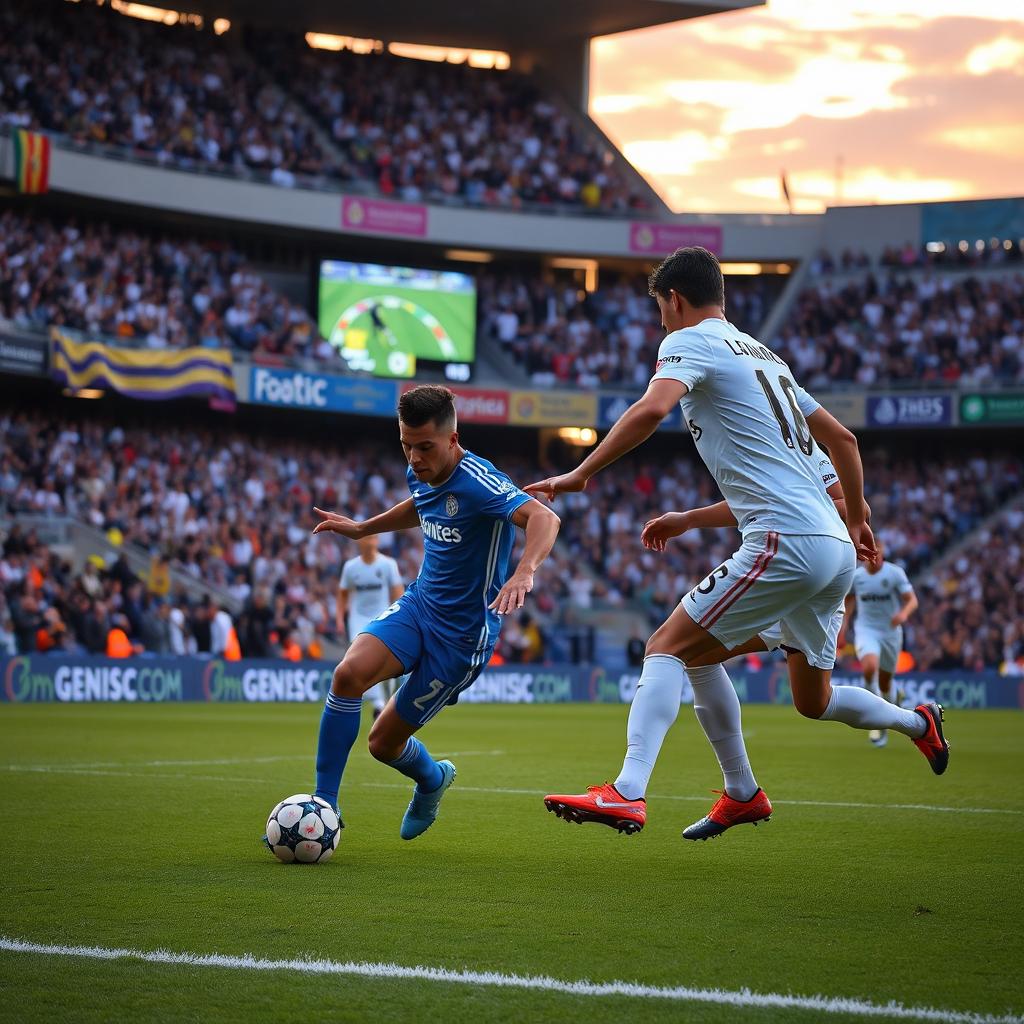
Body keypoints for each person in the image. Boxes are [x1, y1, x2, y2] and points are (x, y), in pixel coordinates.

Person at [529, 246, 949, 841]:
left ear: (674, 299)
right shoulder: (767, 359)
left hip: (788, 541)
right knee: (807, 697)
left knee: (667, 646)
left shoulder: (689, 341)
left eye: (660, 310)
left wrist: (581, 473)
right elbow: (845, 444)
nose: (661, 324)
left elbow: (651, 409)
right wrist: (854, 521)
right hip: (831, 551)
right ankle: (912, 723)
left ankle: (627, 791)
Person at [304, 385, 561, 841]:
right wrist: (364, 527)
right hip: (420, 605)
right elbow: (422, 506)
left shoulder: (480, 482)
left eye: (425, 447)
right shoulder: (418, 470)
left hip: (462, 638)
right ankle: (323, 806)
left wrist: (524, 572)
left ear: (453, 439)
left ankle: (432, 779)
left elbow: (545, 518)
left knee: (382, 744)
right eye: (406, 445)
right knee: (347, 675)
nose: (415, 457)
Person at [840, 540, 918, 748]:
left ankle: (893, 698)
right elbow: (849, 601)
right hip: (866, 630)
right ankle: (876, 722)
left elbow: (912, 600)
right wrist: (844, 626)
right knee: (869, 667)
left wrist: (903, 613)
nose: (874, 557)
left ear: (883, 553)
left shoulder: (894, 573)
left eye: (877, 552)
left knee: (885, 683)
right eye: (870, 553)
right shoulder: (857, 577)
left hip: (891, 633)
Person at [337, 535, 405, 719]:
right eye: (366, 538)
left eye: (373, 538)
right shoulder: (351, 567)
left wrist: (401, 620)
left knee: (387, 664)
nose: (369, 541)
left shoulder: (388, 564)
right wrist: (338, 619)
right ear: (359, 542)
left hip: (383, 617)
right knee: (363, 661)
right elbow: (342, 594)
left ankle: (385, 703)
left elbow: (399, 593)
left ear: (377, 541)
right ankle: (379, 704)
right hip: (358, 620)